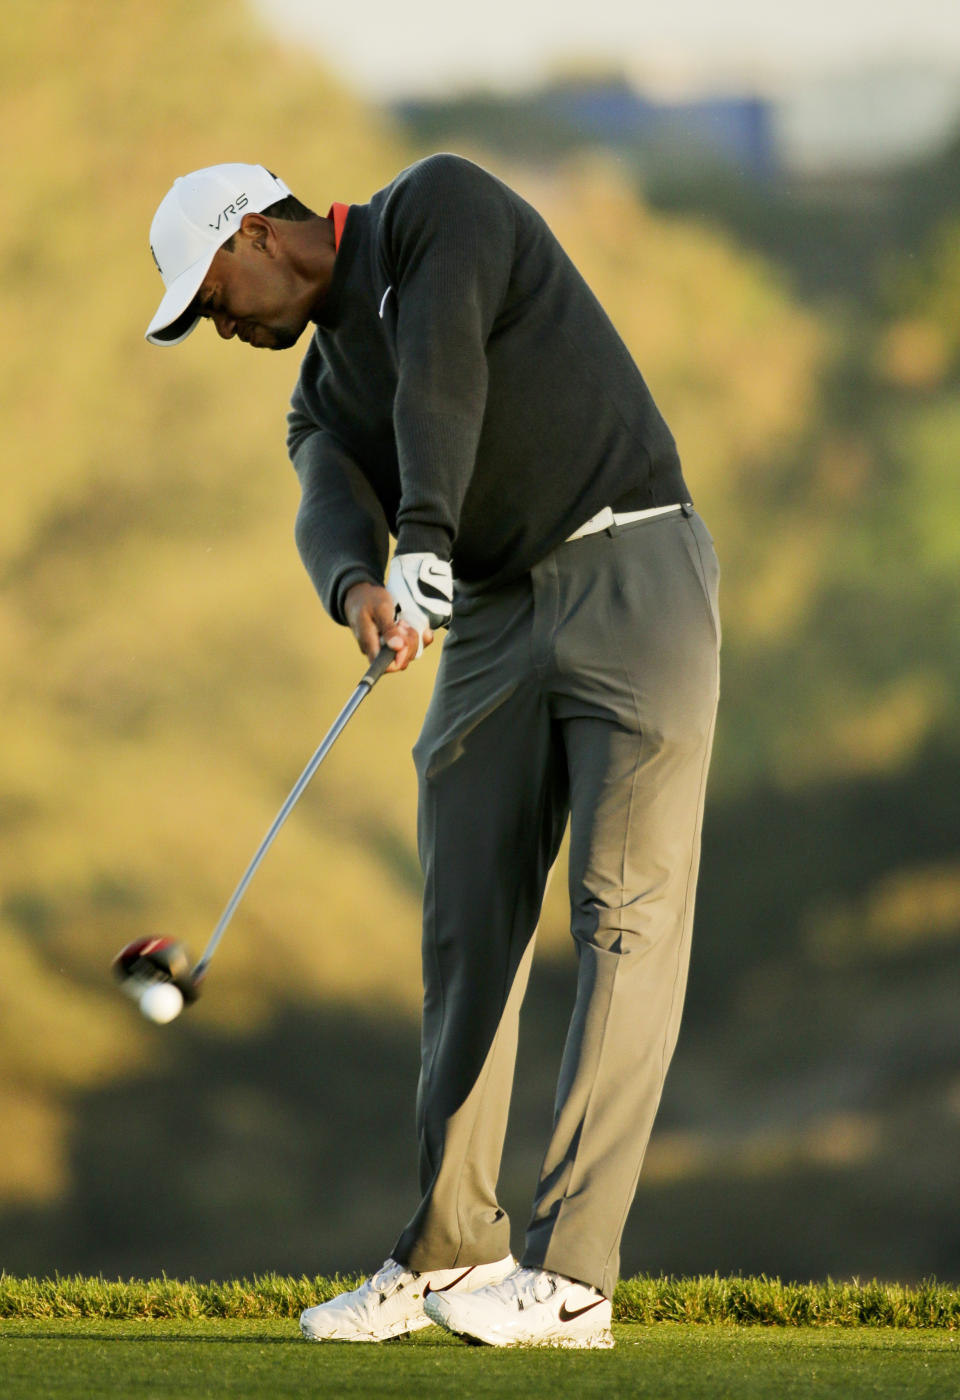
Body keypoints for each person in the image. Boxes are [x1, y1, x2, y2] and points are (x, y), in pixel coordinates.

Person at [145, 155, 720, 1350]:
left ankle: (572, 1274)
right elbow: (325, 488)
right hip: (497, 619)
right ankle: (454, 1246)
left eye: (212, 294)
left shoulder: (437, 211)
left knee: (624, 917)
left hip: (634, 571)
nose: (219, 323)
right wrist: (361, 581)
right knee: (466, 925)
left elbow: (443, 377)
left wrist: (425, 532)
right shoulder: (317, 385)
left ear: (256, 231)